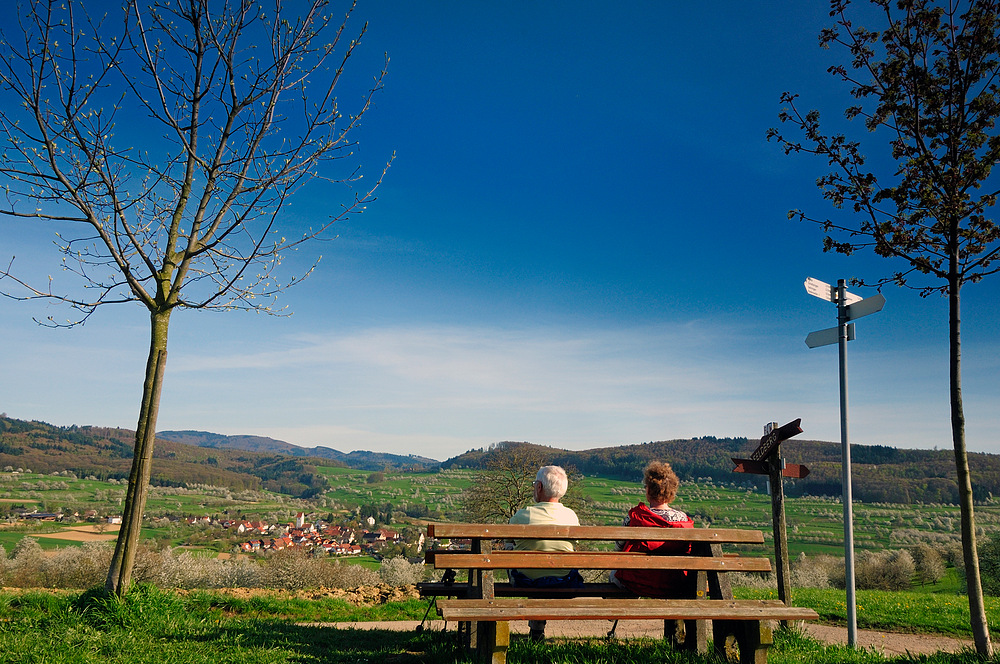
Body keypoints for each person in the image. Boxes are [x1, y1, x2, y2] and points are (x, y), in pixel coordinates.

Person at [507, 465, 582, 640]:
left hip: (526, 581)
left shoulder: (522, 516)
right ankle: (537, 631)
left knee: (516, 557)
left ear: (539, 487)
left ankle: (536, 630)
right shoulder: (571, 517)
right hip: (564, 580)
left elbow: (508, 543)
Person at [610, 461, 695, 598]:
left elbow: (618, 548)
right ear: (672, 492)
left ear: (648, 490)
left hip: (637, 582)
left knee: (615, 573)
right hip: (674, 583)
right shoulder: (684, 519)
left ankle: (618, 610)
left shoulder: (635, 517)